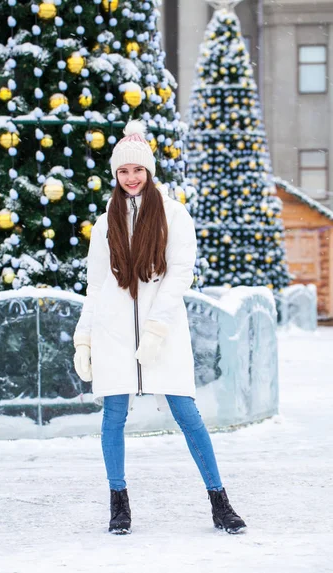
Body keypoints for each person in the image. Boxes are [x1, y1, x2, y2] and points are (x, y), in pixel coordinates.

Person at [73, 120, 246, 536]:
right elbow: (96, 285)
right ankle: (119, 503)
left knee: (187, 414)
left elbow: (179, 275)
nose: (131, 178)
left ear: (149, 172)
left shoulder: (173, 215)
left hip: (163, 331)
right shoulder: (103, 223)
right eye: (123, 171)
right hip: (113, 331)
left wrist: (155, 329)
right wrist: (84, 338)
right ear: (116, 175)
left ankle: (219, 501)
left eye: (137, 170)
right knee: (113, 416)